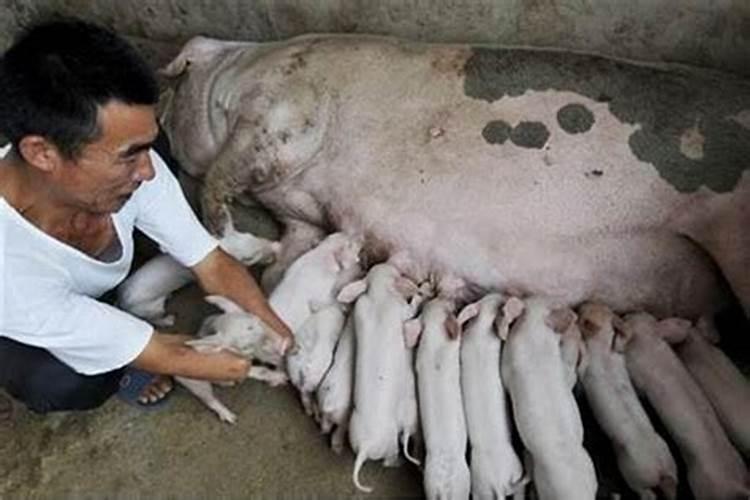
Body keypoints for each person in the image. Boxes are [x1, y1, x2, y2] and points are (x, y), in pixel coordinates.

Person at [0, 18, 293, 414]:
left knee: (155, 163)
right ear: (42, 153)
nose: (148, 169)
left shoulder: (127, 171)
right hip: (23, 317)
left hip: (62, 274)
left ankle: (118, 290)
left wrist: (274, 333)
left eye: (144, 147)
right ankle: (118, 373)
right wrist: (243, 363)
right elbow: (163, 351)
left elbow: (210, 261)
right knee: (57, 381)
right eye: (129, 155)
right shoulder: (12, 279)